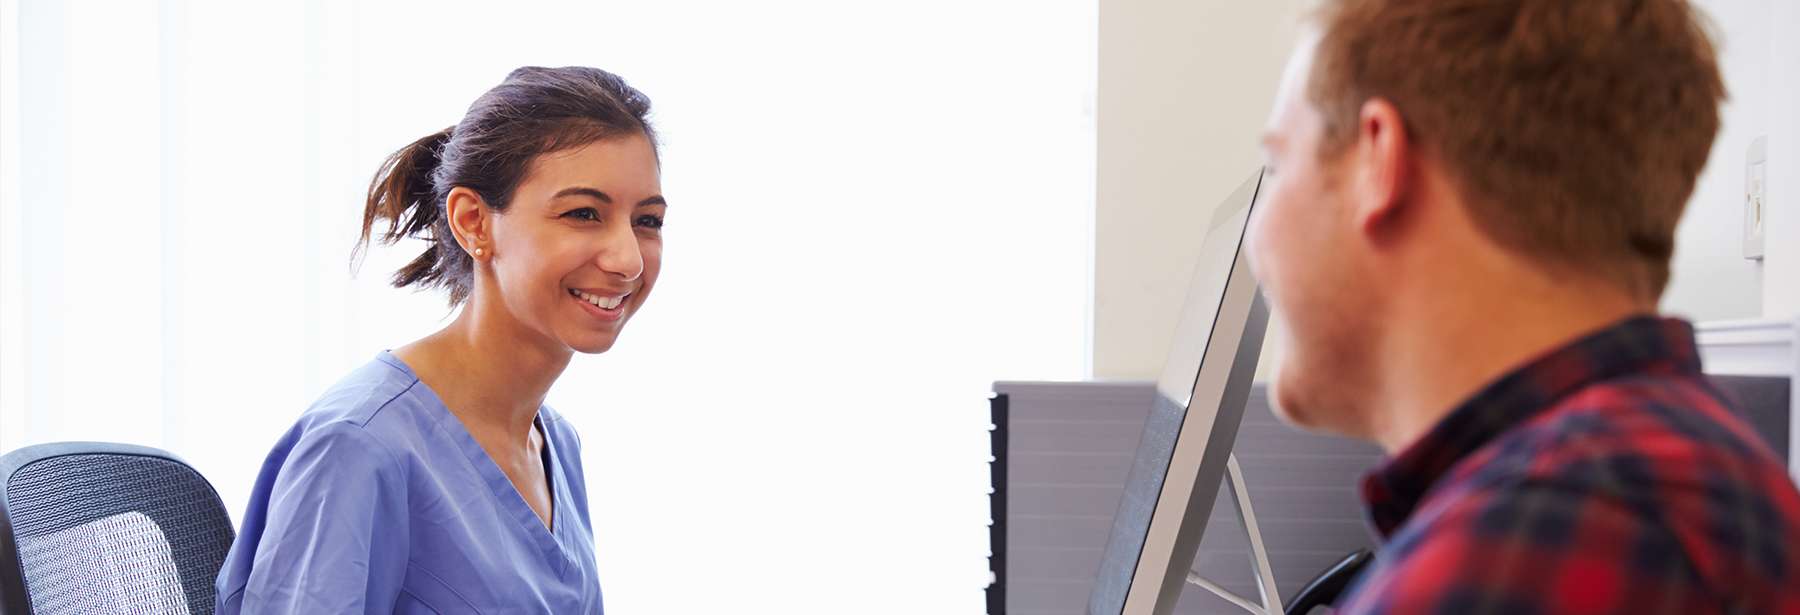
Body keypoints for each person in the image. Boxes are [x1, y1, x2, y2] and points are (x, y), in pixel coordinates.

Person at [1248, 0, 1800, 612]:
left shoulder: (1530, 544)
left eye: (1277, 165)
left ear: (1378, 161)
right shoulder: (1687, 464)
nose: (1257, 237)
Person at [215, 66, 663, 614]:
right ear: (474, 222)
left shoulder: (554, 444)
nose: (628, 259)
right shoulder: (359, 448)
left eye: (647, 220)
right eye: (583, 214)